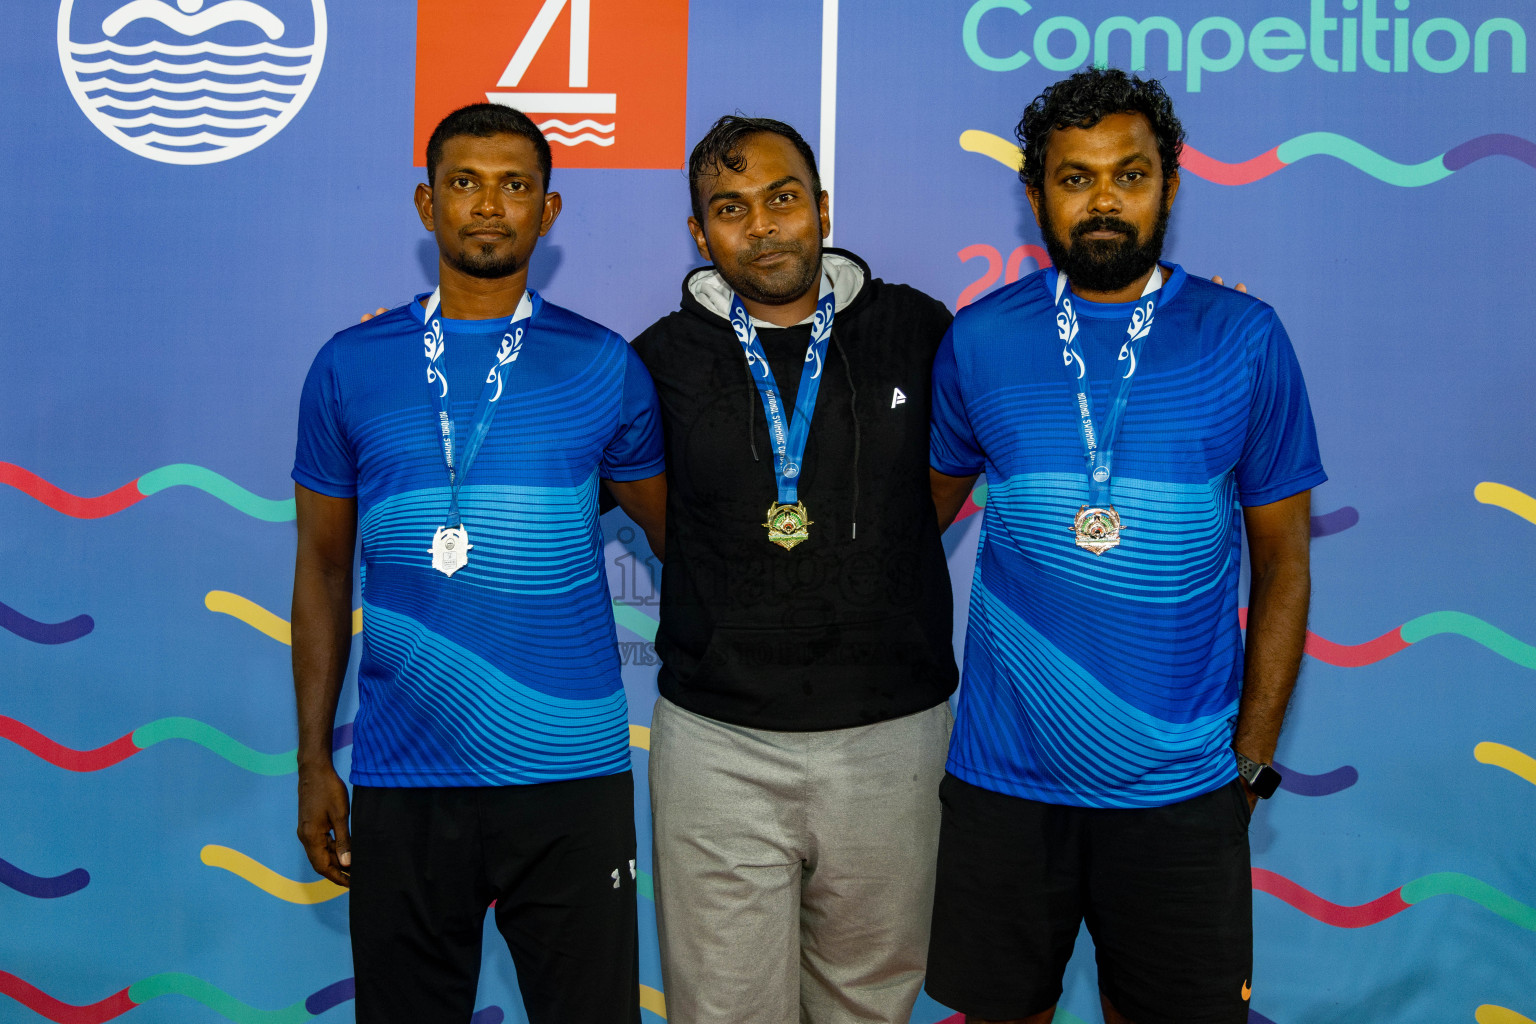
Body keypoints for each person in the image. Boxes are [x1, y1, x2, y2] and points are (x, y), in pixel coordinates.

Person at [924, 68, 1324, 1024]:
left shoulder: (1245, 338)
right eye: (1074, 178)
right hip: (1004, 787)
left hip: (1184, 793)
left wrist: (1250, 764)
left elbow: (1285, 567)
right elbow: (911, 535)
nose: (1103, 200)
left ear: (1170, 186)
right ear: (1036, 198)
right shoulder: (977, 341)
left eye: (1130, 174)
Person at [290, 102, 665, 1024]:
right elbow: (323, 573)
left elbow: (685, 545)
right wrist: (312, 759)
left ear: (551, 210)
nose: (489, 206)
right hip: (405, 774)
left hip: (569, 777)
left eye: (515, 186)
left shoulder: (605, 364)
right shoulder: (348, 366)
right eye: (465, 183)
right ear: (427, 204)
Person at [630, 116, 958, 1024]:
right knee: (725, 1013)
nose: (763, 226)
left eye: (782, 200)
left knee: (868, 1008)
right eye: (730, 209)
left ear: (821, 208)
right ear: (701, 234)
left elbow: (946, 482)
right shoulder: (657, 360)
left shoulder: (919, 331)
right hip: (717, 746)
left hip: (892, 736)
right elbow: (665, 521)